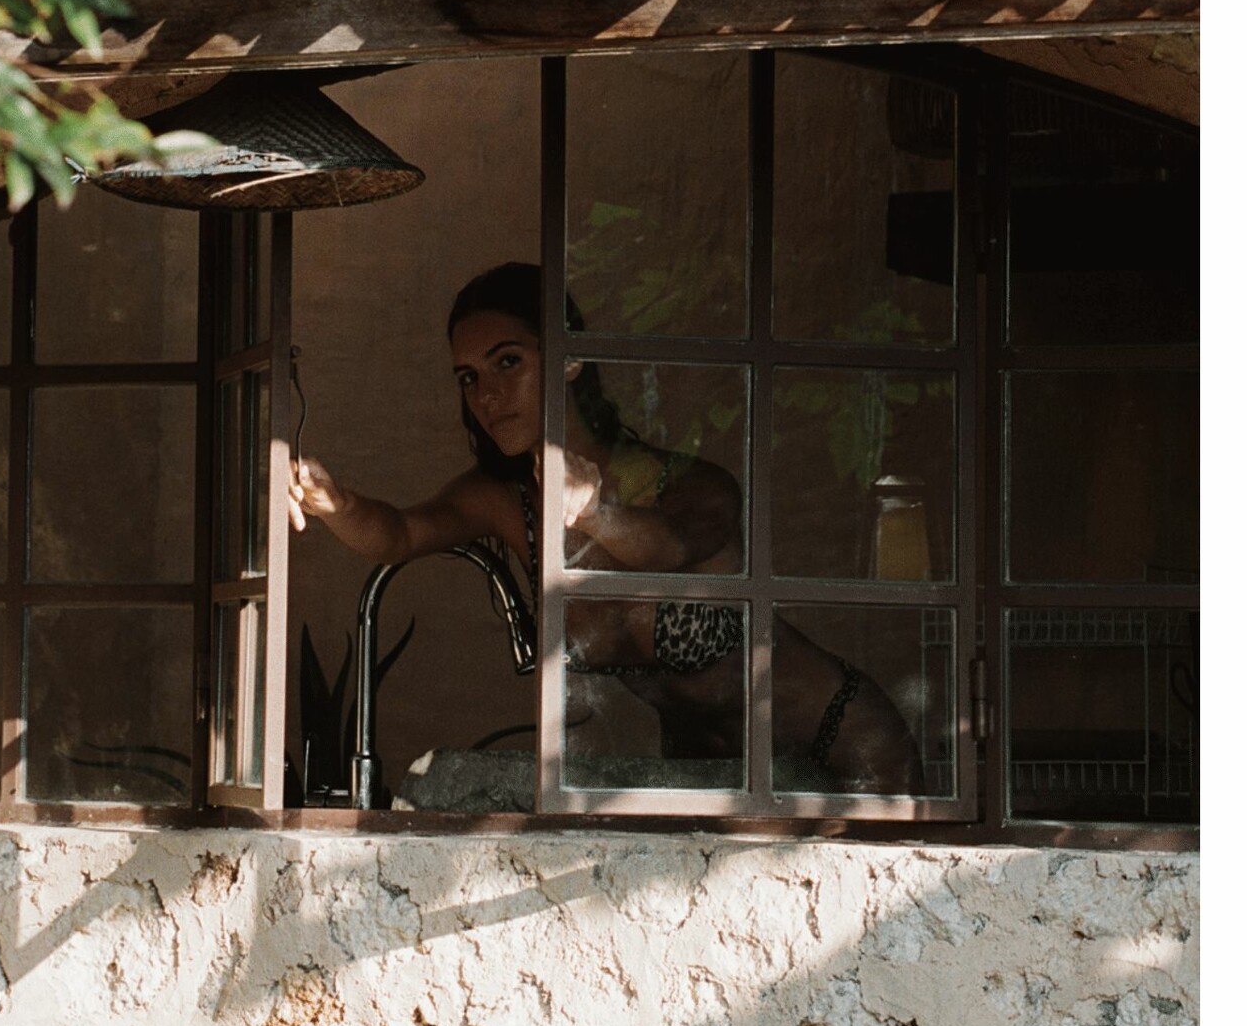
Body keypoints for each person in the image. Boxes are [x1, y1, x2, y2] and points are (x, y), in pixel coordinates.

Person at [289, 261, 920, 789]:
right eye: (469, 377)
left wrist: (596, 512)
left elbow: (669, 546)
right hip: (716, 775)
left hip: (849, 747)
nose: (486, 394)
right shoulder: (502, 500)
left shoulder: (691, 483)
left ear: (570, 360)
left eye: (507, 361)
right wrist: (335, 501)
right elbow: (398, 535)